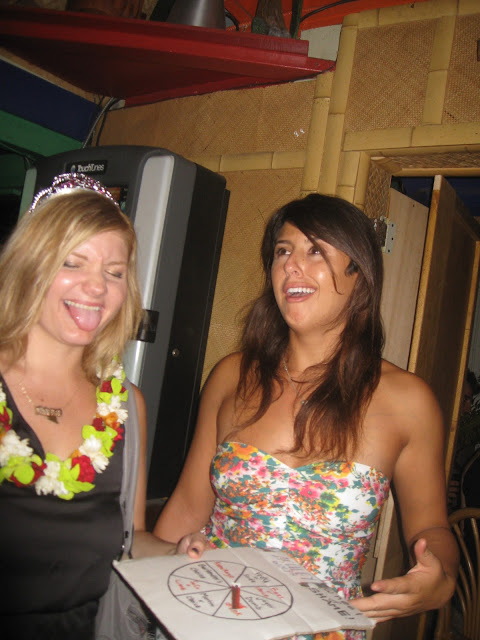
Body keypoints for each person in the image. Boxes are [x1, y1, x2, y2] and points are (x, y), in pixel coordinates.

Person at [155, 193, 459, 639]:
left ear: (360, 273)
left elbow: (431, 526)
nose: (292, 265)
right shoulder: (231, 376)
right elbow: (186, 508)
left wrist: (442, 579)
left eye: (315, 250)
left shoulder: (408, 401)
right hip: (211, 620)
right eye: (283, 251)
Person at [0, 174, 199, 639]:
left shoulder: (127, 404)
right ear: (29, 265)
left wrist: (177, 552)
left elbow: (131, 540)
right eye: (72, 263)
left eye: (114, 272)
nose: (96, 288)